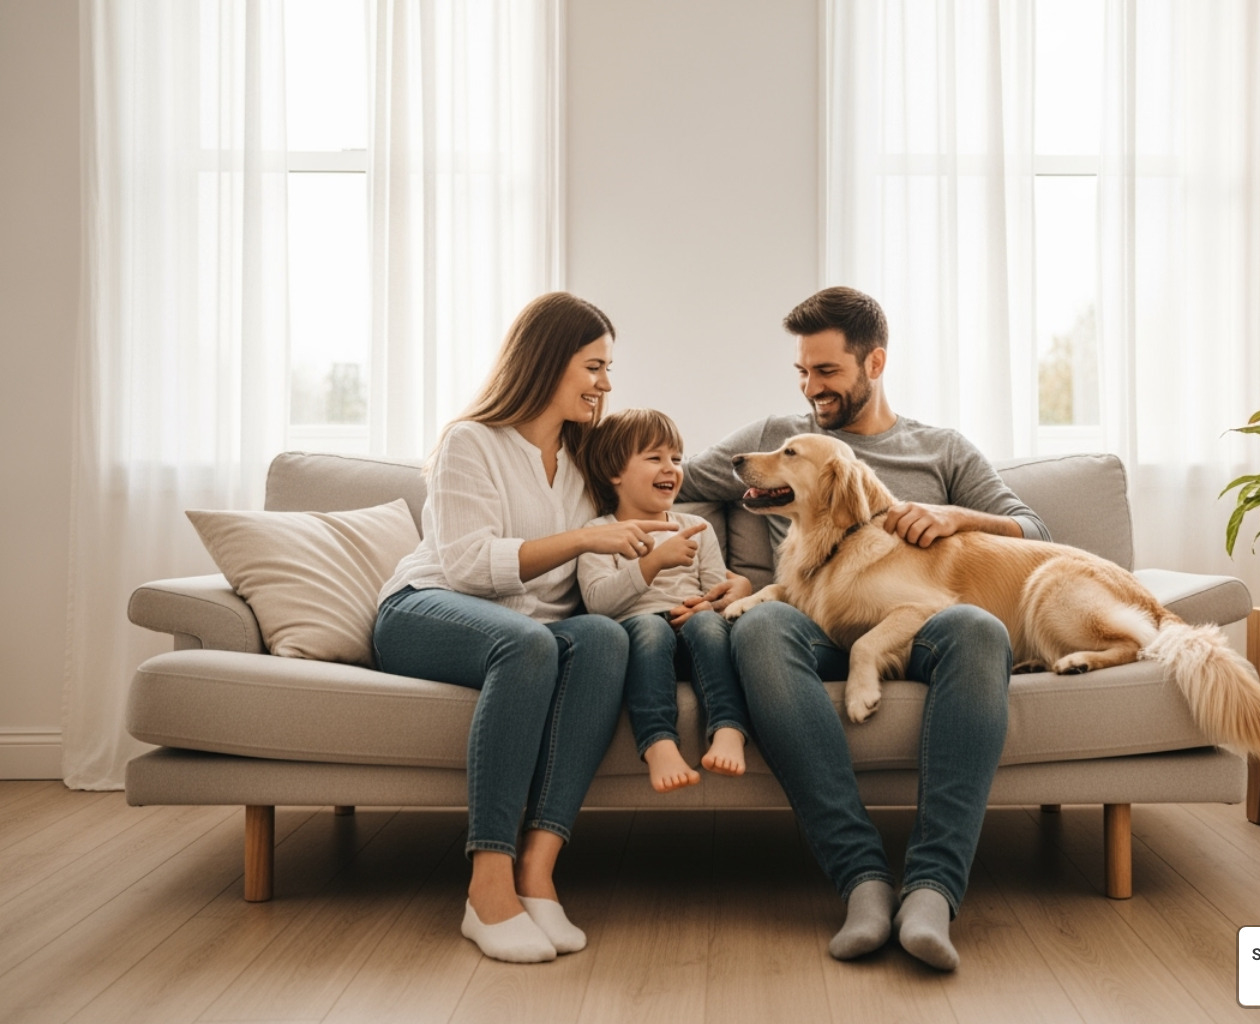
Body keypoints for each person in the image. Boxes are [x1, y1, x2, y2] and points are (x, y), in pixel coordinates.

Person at [678, 286, 1050, 972]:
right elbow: (671, 479)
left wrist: (958, 517)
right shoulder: (781, 441)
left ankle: (933, 890)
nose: (811, 388)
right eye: (802, 372)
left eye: (827, 372)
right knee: (757, 631)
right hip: (816, 624)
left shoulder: (942, 448)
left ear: (874, 362)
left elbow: (1034, 529)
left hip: (921, 626)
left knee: (978, 628)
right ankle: (862, 880)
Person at [373, 292, 681, 964]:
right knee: (528, 642)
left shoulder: (582, 461)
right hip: (426, 609)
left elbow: (601, 585)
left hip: (530, 633)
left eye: (608, 370)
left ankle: (539, 873)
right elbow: (466, 564)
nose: (606, 384)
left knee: (603, 638)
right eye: (594, 366)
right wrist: (577, 541)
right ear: (547, 360)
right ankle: (487, 888)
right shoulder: (471, 442)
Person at [576, 408, 752, 792]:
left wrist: (709, 606)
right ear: (614, 473)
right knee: (649, 627)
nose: (671, 468)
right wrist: (652, 562)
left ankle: (728, 730)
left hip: (692, 631)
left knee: (708, 624)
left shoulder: (696, 528)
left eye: (676, 458)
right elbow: (598, 603)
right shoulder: (599, 532)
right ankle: (658, 744)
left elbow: (716, 590)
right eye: (654, 458)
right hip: (642, 641)